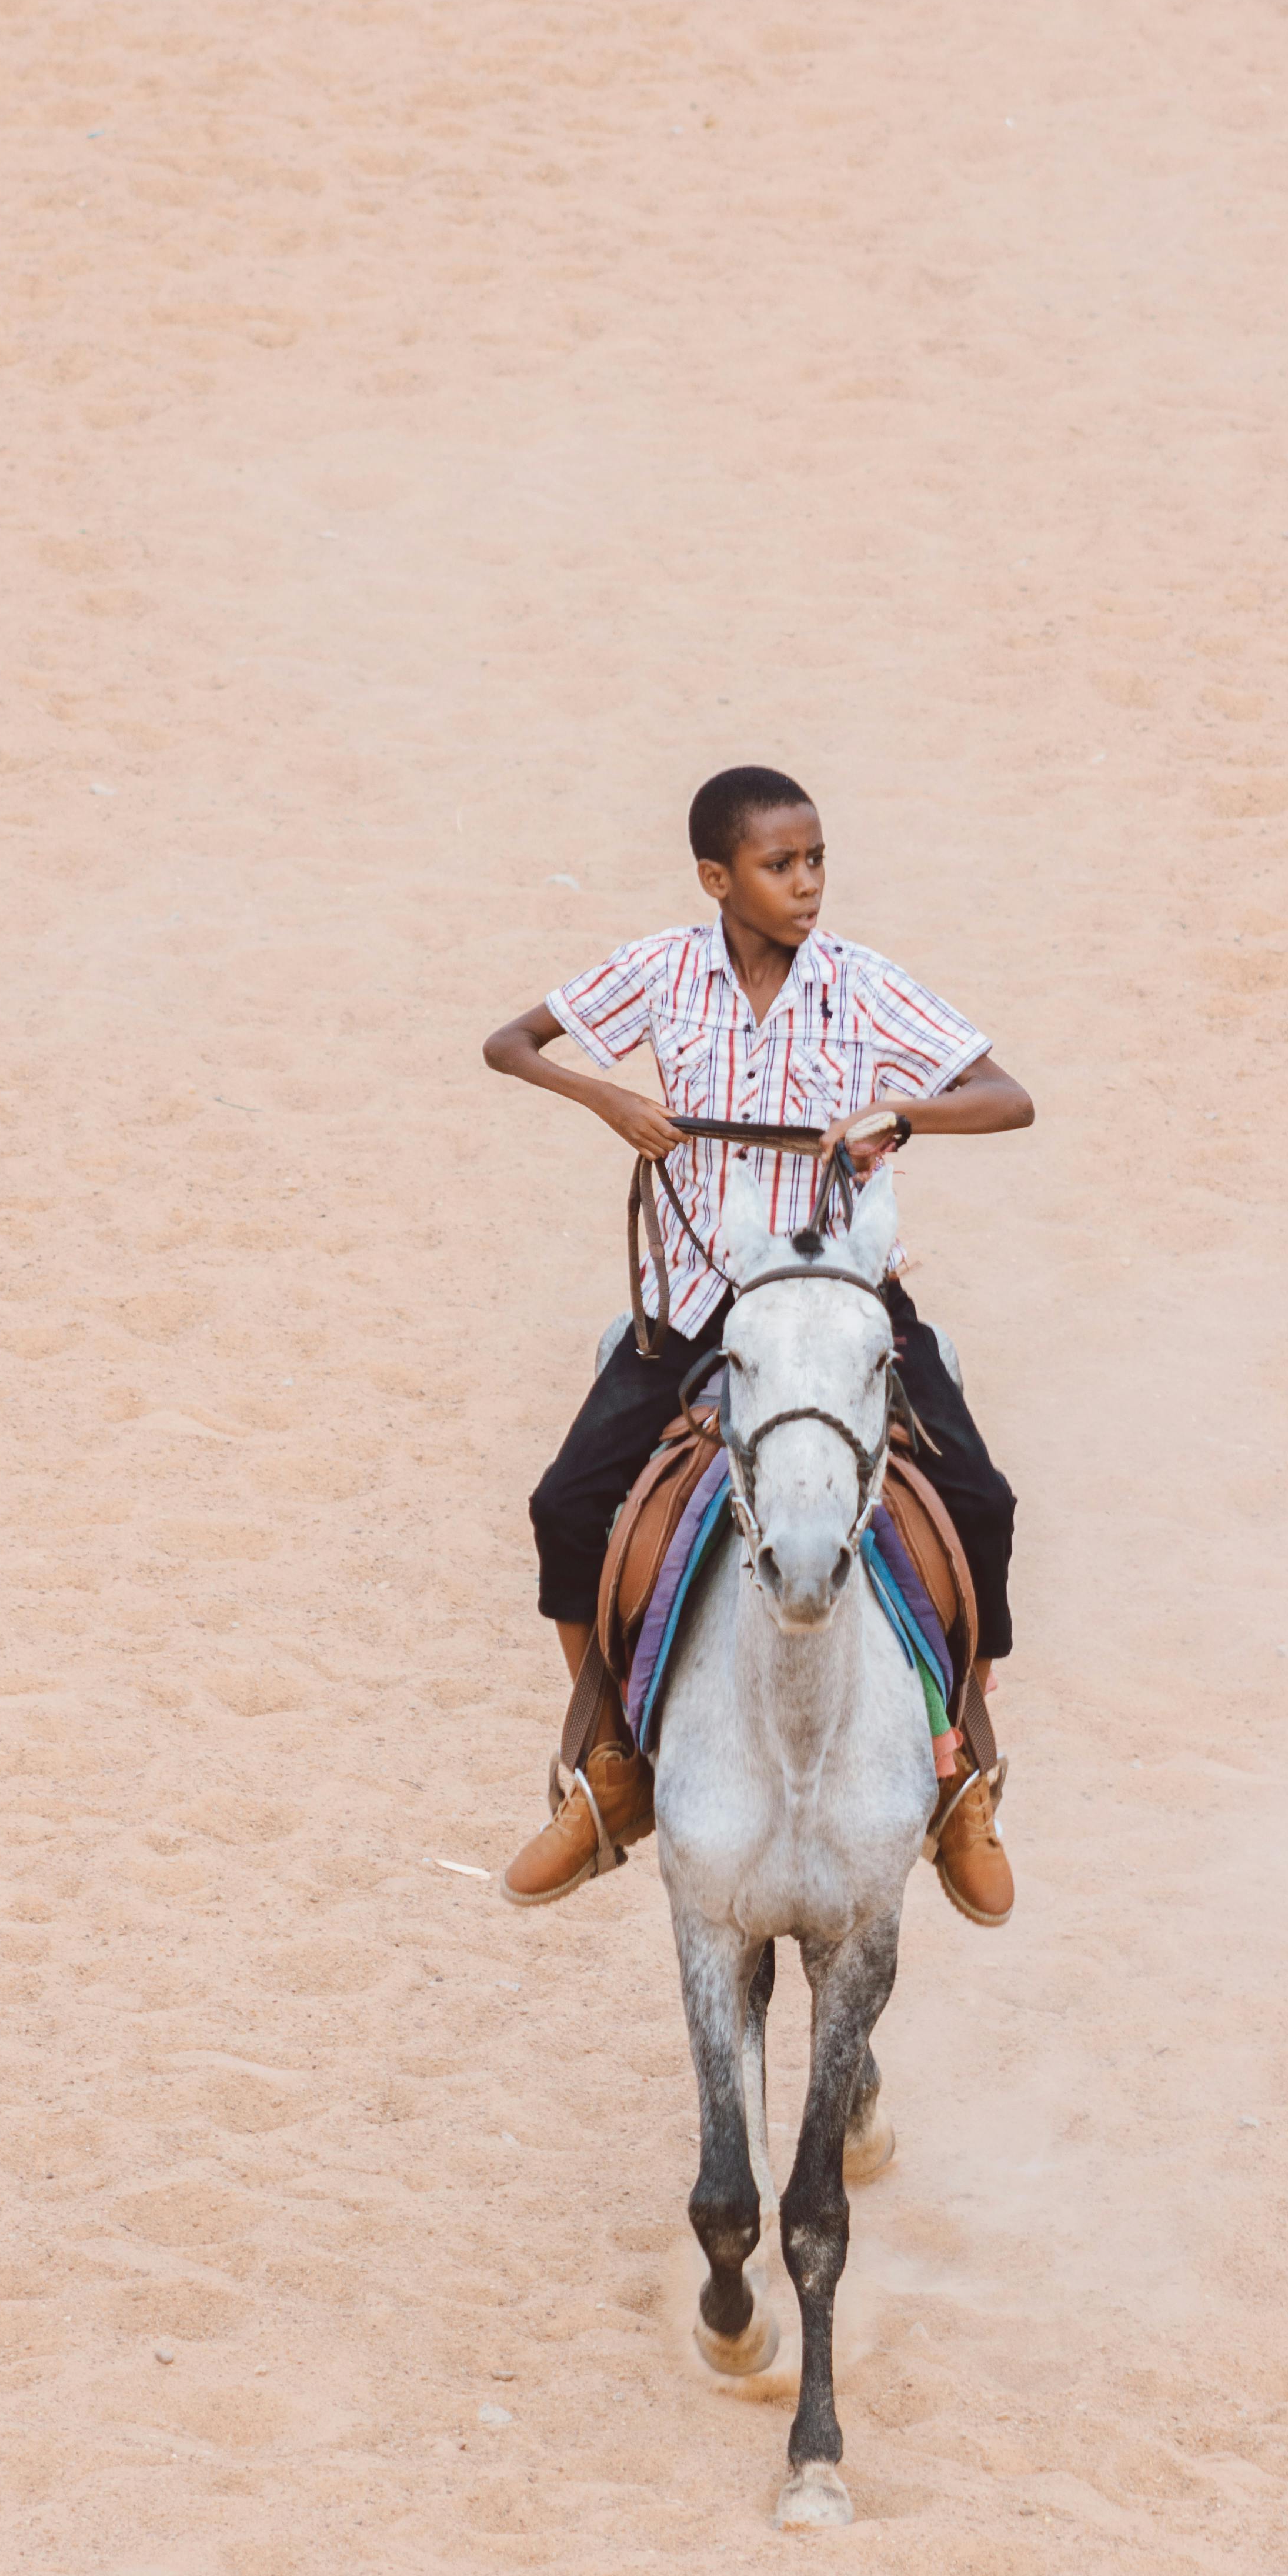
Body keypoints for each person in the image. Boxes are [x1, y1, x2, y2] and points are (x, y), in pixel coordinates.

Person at [483, 766, 1034, 1923]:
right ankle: (613, 1769)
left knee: (980, 1502)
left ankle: (959, 1782)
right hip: (696, 1302)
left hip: (840, 1298)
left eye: (818, 860)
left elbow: (1008, 1096)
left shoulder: (863, 984)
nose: (808, 885)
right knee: (567, 1507)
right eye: (782, 866)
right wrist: (609, 1101)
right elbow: (509, 1043)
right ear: (717, 878)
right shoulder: (661, 972)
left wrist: (908, 1113)